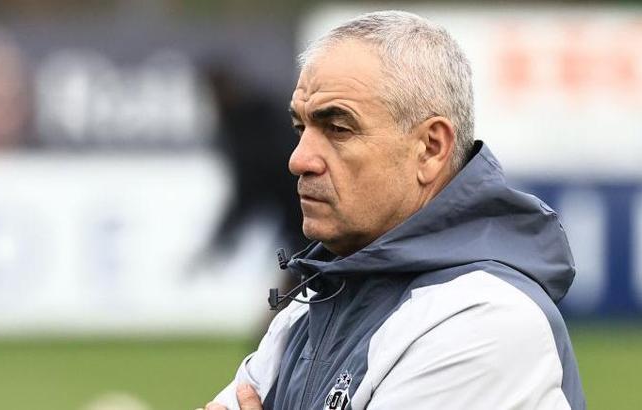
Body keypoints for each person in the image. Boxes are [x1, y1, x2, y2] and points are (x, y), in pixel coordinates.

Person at [202, 10, 585, 410]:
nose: (299, 159)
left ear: (430, 148)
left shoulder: (486, 319)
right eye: (301, 128)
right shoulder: (309, 306)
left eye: (338, 129)